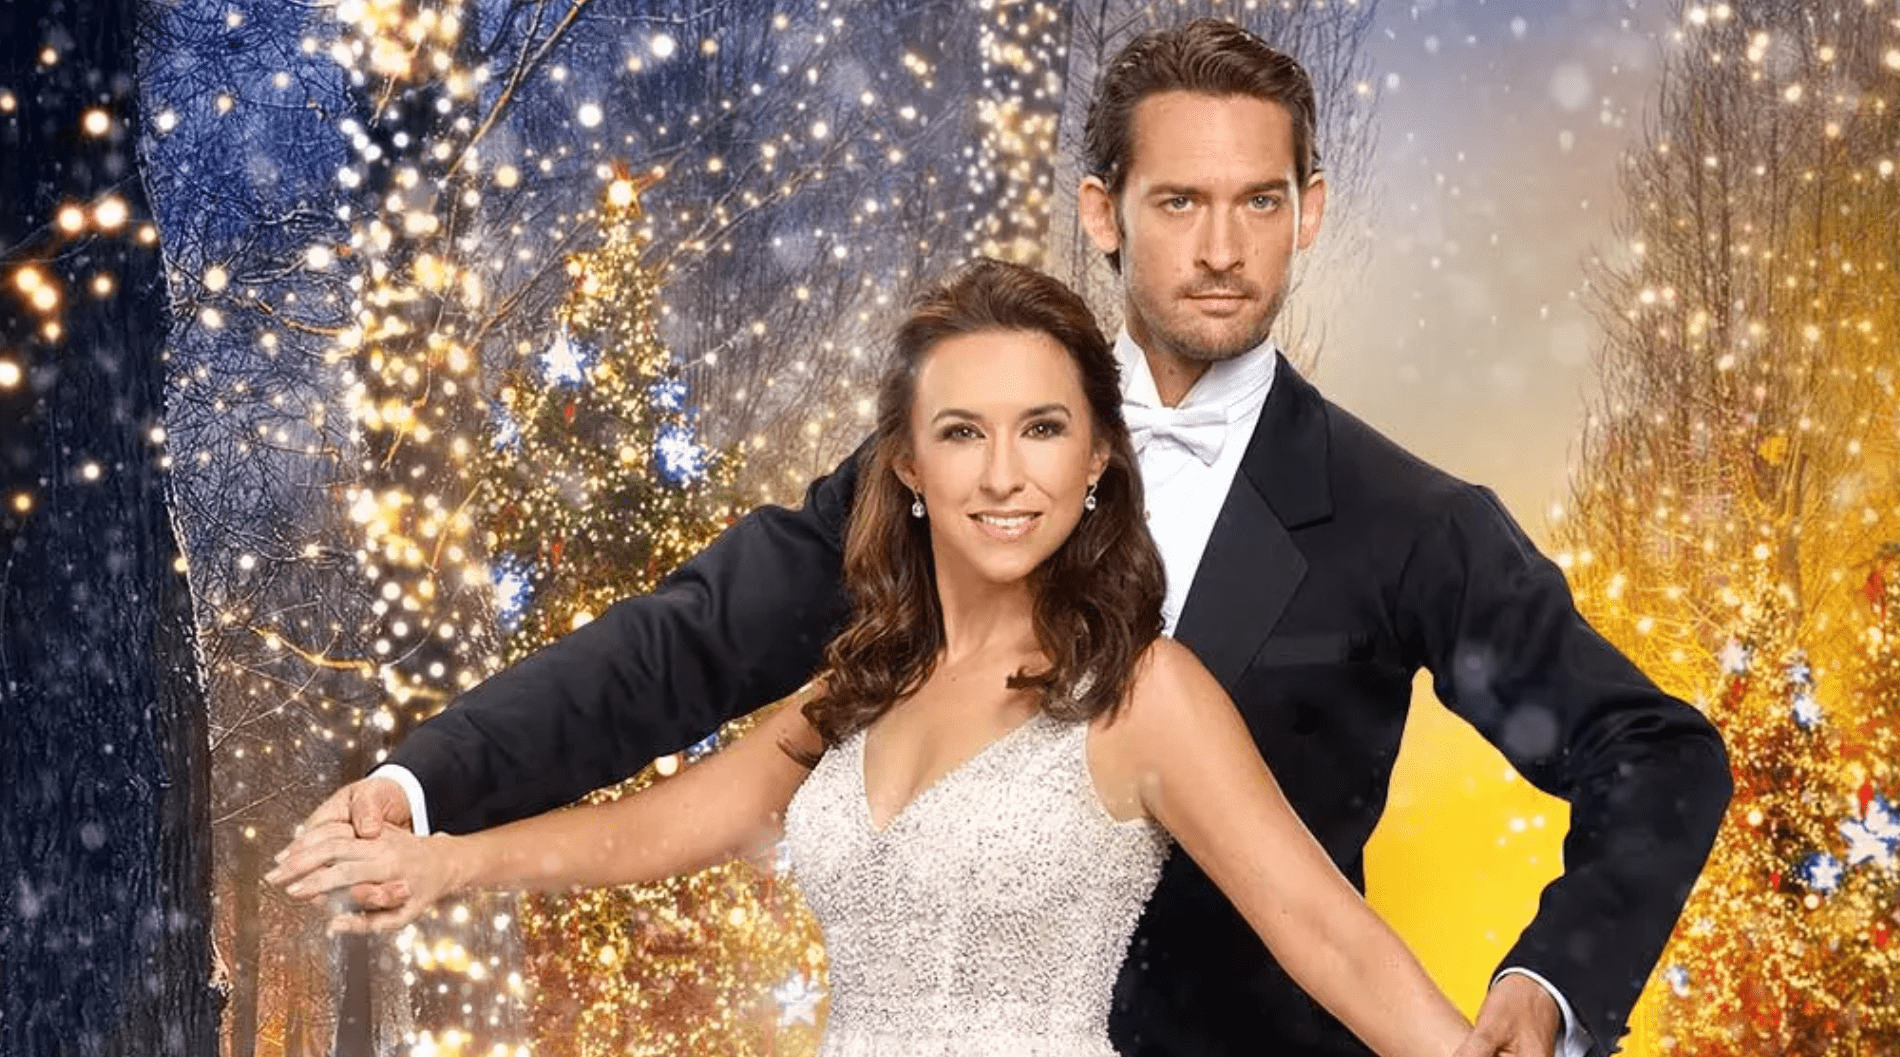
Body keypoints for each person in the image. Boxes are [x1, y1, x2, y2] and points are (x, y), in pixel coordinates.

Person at [275, 19, 1731, 1057]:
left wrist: (1554, 978)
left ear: (1308, 215)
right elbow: (690, 645)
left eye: (1256, 204)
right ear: (1104, 212)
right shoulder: (939, 482)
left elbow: (1653, 753)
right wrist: (428, 790)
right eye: (1177, 202)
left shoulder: (1415, 526)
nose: (1219, 249)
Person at [271, 259, 1477, 1057]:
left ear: (1100, 459)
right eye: (962, 432)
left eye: (1043, 429)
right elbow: (656, 829)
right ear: (904, 465)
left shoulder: (1142, 694)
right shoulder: (856, 689)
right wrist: (447, 862)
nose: (1003, 474)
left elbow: (1327, 933)